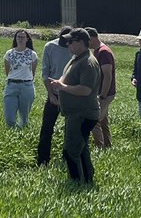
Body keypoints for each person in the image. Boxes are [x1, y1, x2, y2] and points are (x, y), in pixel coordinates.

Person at [47, 28, 100, 184]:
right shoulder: (76, 58)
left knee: (71, 150)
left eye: (71, 41)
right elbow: (66, 77)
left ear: (82, 42)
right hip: (74, 113)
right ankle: (87, 180)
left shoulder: (88, 62)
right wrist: (59, 83)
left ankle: (77, 182)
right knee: (81, 148)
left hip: (82, 114)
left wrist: (63, 88)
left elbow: (85, 90)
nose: (67, 44)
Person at [36, 27, 72, 165]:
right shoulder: (50, 46)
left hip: (70, 95)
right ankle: (43, 160)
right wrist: (50, 94)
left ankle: (67, 158)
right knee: (46, 128)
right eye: (64, 40)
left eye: (69, 40)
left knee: (70, 129)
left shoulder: (76, 48)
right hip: (54, 95)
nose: (66, 43)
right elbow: (45, 73)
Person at [87, 28, 117, 149]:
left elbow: (108, 75)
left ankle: (100, 147)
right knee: (103, 121)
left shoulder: (104, 52)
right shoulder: (97, 51)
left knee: (95, 120)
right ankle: (108, 146)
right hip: (101, 92)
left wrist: (103, 95)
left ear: (92, 38)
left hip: (105, 92)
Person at [3, 29, 38, 128]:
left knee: (24, 119)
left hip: (27, 86)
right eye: (18, 37)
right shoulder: (9, 53)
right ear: (15, 39)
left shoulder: (32, 54)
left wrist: (26, 79)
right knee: (9, 118)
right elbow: (7, 71)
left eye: (23, 37)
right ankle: (11, 135)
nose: (20, 39)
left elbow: (33, 72)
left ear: (27, 39)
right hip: (11, 86)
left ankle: (20, 136)